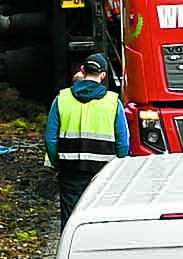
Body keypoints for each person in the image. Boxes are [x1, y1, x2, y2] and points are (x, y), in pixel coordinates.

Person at [44, 54, 129, 227]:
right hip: (104, 173)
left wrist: (58, 162)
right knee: (101, 219)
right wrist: (117, 168)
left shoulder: (62, 99)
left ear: (83, 71)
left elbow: (50, 139)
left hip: (70, 170)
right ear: (103, 75)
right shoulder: (113, 103)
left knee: (71, 222)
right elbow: (123, 143)